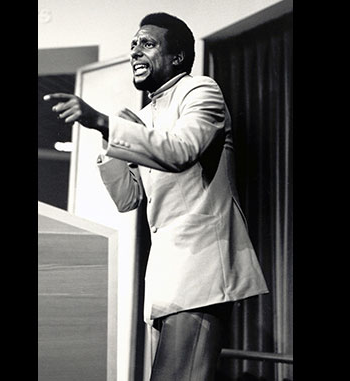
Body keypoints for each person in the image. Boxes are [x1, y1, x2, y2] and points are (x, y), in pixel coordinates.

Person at [44, 12, 268, 381]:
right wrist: (109, 141)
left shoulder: (200, 91)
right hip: (165, 274)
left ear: (177, 57)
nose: (135, 52)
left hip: (201, 270)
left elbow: (180, 151)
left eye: (147, 44)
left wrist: (104, 122)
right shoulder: (145, 116)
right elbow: (128, 198)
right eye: (133, 45)